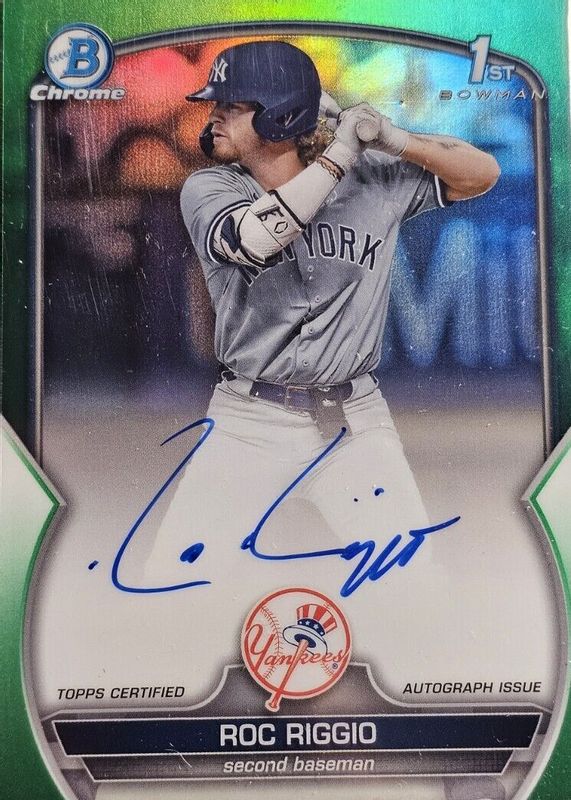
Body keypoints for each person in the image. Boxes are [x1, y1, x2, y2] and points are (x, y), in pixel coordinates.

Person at [143, 40, 499, 650]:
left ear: (281, 115)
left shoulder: (372, 180)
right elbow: (259, 238)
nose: (213, 115)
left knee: (418, 601)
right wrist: (339, 153)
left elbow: (482, 174)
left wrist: (394, 139)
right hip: (249, 421)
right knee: (168, 596)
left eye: (233, 105)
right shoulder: (209, 187)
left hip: (353, 422)